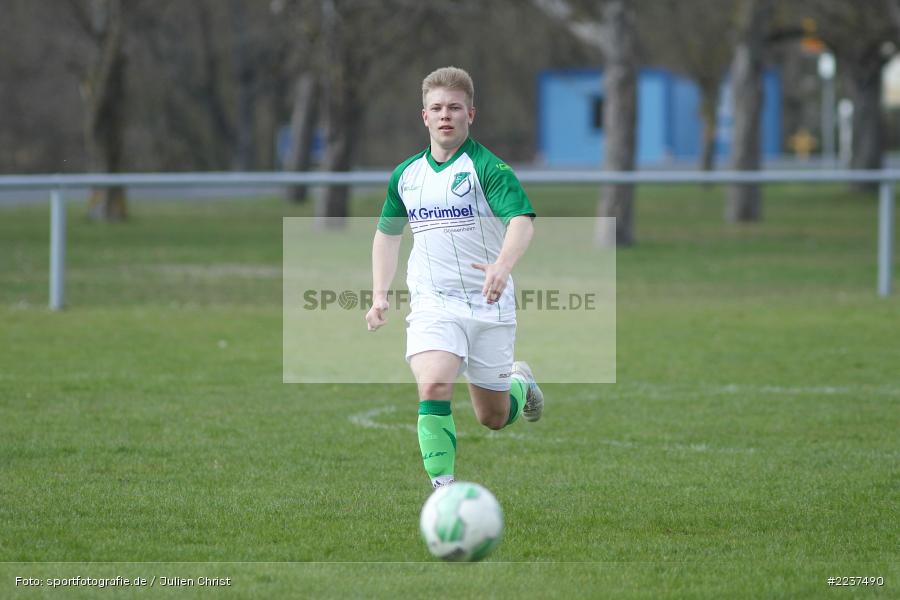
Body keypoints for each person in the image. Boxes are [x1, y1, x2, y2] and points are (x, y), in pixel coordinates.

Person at [365, 66, 543, 489]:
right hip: (433, 303)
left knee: (492, 417)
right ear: (424, 116)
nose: (446, 115)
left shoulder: (489, 169)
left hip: (488, 302)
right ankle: (442, 491)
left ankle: (521, 383)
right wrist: (379, 296)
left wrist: (502, 265)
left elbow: (521, 221)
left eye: (455, 108)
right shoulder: (406, 176)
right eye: (437, 108)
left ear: (471, 114)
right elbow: (387, 236)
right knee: (435, 384)